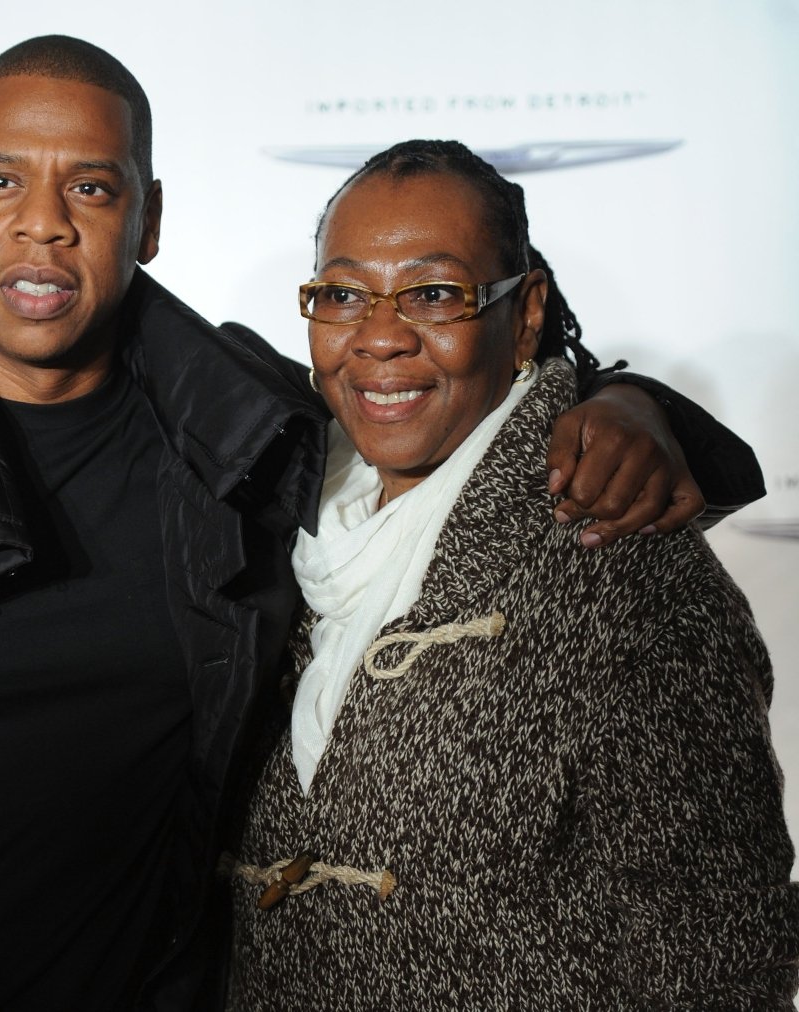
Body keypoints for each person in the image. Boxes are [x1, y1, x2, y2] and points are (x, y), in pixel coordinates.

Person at [0, 37, 764, 1012]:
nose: (45, 226)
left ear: (148, 220)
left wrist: (631, 407)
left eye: (92, 189)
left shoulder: (246, 429)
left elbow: (437, 399)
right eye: (2, 182)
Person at [225, 139, 799, 1010]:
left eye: (434, 293)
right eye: (342, 294)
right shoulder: (274, 505)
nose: (380, 336)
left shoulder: (625, 566)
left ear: (525, 312)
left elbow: (718, 958)